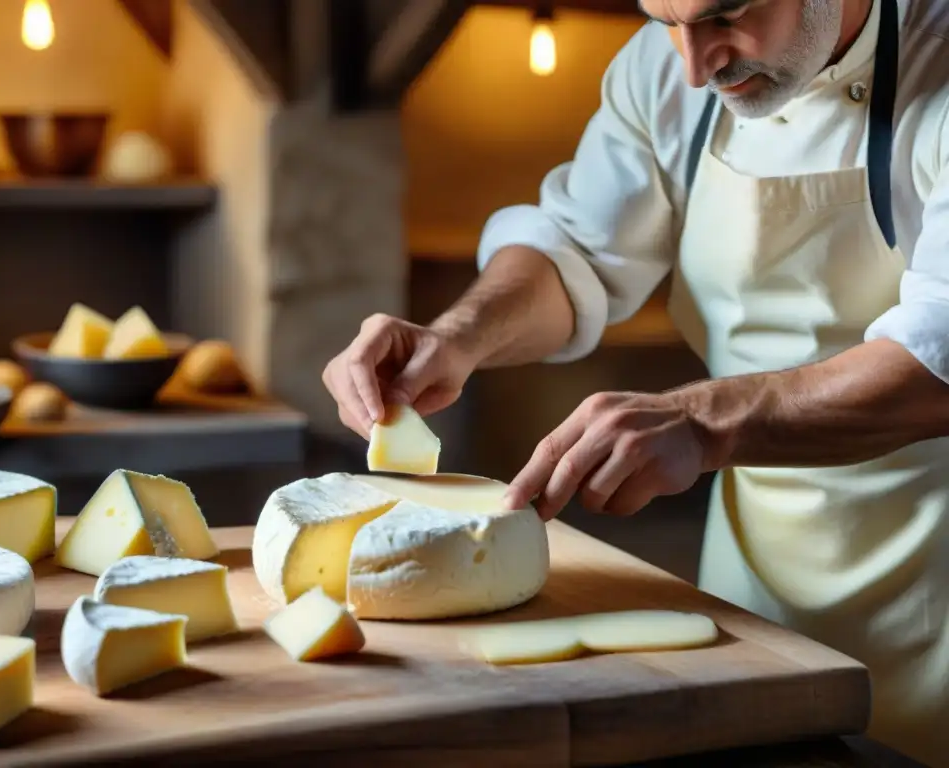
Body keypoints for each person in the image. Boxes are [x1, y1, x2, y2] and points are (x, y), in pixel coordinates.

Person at [323, 0, 949, 763]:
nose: (695, 64)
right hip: (757, 575)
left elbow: (936, 363)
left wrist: (702, 420)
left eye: (727, 14)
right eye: (664, 20)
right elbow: (579, 252)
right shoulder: (666, 69)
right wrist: (456, 336)